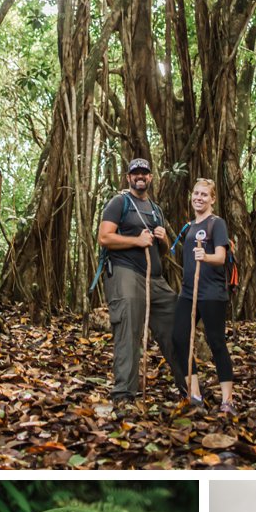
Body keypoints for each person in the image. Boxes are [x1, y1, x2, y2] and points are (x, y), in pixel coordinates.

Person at [97, 157, 187, 405]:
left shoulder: (156, 210)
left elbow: (164, 251)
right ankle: (124, 396)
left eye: (144, 173)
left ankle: (190, 389)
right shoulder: (119, 203)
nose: (140, 176)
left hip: (155, 279)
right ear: (128, 177)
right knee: (129, 332)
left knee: (176, 328)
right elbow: (104, 238)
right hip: (126, 273)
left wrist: (164, 238)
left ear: (150, 178)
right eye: (135, 172)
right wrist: (136, 241)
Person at [172, 178, 235, 414]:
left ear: (212, 199)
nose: (199, 198)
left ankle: (227, 400)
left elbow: (220, 257)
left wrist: (205, 256)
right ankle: (195, 393)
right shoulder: (188, 226)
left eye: (204, 195)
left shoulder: (216, 224)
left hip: (211, 292)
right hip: (189, 292)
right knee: (179, 338)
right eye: (196, 193)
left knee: (216, 341)